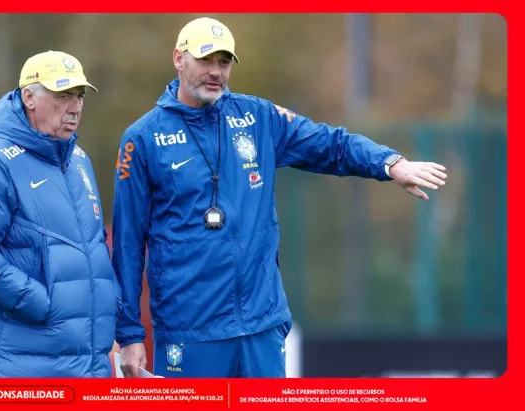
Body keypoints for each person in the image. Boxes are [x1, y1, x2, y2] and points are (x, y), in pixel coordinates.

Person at [112, 17, 448, 378]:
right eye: (205, 60)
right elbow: (128, 244)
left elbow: (330, 144)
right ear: (179, 58)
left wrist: (388, 162)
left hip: (261, 327)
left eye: (223, 62)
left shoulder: (257, 118)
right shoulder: (143, 138)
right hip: (190, 333)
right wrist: (129, 334)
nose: (215, 72)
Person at [0, 50, 120, 377]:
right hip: (25, 369)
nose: (75, 106)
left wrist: (106, 311)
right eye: (63, 95)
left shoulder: (79, 159)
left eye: (80, 96)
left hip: (88, 366)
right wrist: (40, 303)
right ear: (29, 96)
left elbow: (93, 248)